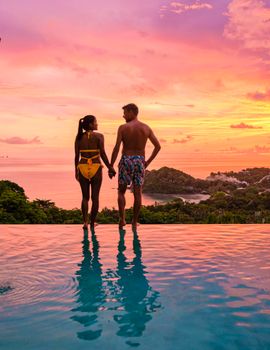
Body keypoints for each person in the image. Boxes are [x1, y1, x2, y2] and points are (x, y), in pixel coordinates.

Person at [110, 104, 161, 229]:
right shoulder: (146, 128)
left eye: (125, 113)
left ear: (132, 112)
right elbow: (158, 146)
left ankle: (122, 220)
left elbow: (117, 147)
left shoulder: (123, 128)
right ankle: (134, 222)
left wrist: (111, 165)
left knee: (121, 191)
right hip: (139, 161)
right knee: (137, 193)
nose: (123, 116)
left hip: (126, 159)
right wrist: (147, 161)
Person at [75, 115, 115, 229]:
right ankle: (92, 223)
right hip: (96, 167)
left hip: (82, 166)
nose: (97, 124)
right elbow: (102, 154)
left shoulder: (78, 137)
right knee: (95, 197)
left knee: (85, 197)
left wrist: (76, 171)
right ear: (91, 125)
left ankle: (85, 223)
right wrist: (110, 167)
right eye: (96, 122)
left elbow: (76, 156)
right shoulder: (99, 136)